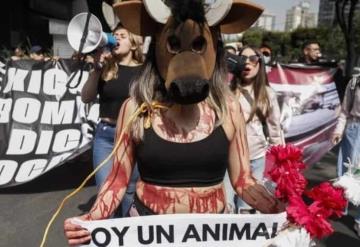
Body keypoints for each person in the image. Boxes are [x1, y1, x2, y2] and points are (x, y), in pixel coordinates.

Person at [63, 1, 283, 245]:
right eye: (174, 45)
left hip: (212, 235)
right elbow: (116, 181)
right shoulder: (135, 108)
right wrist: (91, 219)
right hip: (148, 231)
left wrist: (280, 210)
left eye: (199, 44)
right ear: (159, 47)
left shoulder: (228, 108)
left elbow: (244, 181)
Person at [80, 23, 144, 217]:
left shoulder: (145, 71)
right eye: (114, 35)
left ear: (134, 44)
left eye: (122, 36)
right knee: (105, 191)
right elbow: (86, 97)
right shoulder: (106, 69)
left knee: (128, 193)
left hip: (133, 136)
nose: (116, 39)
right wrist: (97, 69)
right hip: (106, 137)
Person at [228, 46, 284, 213]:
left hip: (256, 159)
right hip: (229, 161)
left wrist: (283, 160)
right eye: (242, 58)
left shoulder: (268, 93)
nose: (247, 63)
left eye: (253, 59)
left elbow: (275, 128)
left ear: (260, 63)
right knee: (227, 207)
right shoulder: (226, 92)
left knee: (247, 208)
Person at [331, 74, 360, 237]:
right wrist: (338, 130)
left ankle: (359, 220)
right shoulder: (355, 82)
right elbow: (344, 111)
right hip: (354, 131)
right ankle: (339, 208)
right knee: (346, 174)